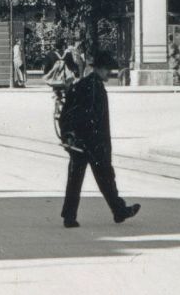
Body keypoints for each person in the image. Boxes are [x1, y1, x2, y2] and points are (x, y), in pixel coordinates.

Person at [59, 49, 141, 229]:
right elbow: (92, 117)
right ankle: (118, 210)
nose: (109, 74)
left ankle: (70, 216)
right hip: (92, 143)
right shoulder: (94, 87)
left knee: (77, 179)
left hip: (79, 142)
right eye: (108, 70)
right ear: (100, 69)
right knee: (105, 177)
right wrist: (97, 145)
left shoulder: (84, 84)